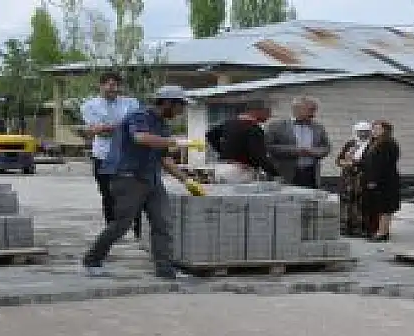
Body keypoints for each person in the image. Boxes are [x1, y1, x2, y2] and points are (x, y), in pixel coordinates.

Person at [81, 86, 205, 280]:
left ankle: (165, 270)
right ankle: (92, 260)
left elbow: (165, 159)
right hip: (128, 177)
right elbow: (141, 138)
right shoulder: (138, 116)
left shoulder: (163, 125)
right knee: (122, 224)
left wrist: (186, 180)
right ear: (167, 103)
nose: (181, 112)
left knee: (163, 223)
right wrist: (178, 142)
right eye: (180, 106)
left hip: (152, 179)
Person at [80, 71, 142, 238]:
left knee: (133, 193)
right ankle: (112, 231)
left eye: (114, 84)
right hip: (103, 156)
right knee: (108, 194)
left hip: (127, 155)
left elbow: (135, 127)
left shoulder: (131, 103)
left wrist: (106, 127)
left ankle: (138, 231)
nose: (111, 88)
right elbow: (100, 132)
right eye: (108, 84)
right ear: (101, 86)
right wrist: (118, 127)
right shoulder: (89, 106)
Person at [264, 96, 331, 188]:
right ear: (297, 109)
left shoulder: (318, 127)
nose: (314, 114)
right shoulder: (276, 126)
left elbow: (326, 147)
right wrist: (295, 151)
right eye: (311, 110)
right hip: (286, 173)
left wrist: (317, 152)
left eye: (315, 110)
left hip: (311, 173)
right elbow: (268, 146)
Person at [205, 101, 279, 183]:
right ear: (257, 111)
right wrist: (276, 173)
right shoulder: (254, 129)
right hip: (240, 172)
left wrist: (223, 153)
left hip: (221, 168)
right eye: (268, 112)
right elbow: (258, 156)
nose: (269, 116)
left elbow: (210, 135)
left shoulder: (229, 123)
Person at [361, 120, 401, 242]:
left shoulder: (388, 144)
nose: (374, 131)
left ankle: (382, 233)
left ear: (385, 130)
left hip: (385, 180)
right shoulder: (374, 143)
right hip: (375, 178)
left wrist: (374, 179)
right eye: (374, 128)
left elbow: (383, 164)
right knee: (378, 206)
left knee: (385, 207)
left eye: (378, 129)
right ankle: (379, 230)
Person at [335, 121, 373, 236]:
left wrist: (356, 163)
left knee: (360, 203)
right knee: (346, 202)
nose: (362, 135)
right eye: (360, 132)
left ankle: (360, 228)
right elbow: (339, 159)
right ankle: (345, 227)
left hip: (361, 177)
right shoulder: (350, 143)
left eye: (365, 132)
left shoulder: (372, 145)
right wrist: (345, 163)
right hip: (348, 178)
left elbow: (370, 162)